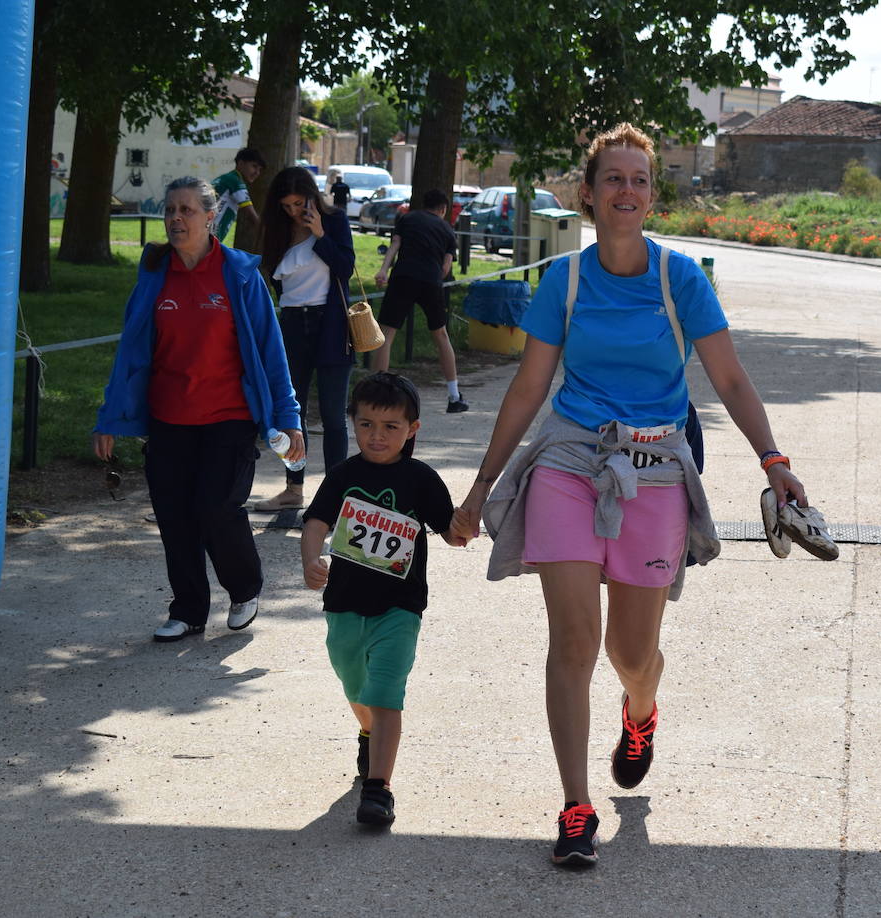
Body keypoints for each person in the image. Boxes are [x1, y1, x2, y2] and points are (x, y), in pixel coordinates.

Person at [449, 124, 833, 867]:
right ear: (588, 194)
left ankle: (641, 709)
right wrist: (483, 485)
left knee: (631, 653)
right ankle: (575, 808)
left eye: (640, 180)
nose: (627, 191)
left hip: (656, 466)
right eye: (614, 179)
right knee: (573, 643)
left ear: (652, 195)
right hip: (568, 459)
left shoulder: (680, 278)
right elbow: (530, 386)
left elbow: (727, 378)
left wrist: (774, 460)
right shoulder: (561, 281)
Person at [93, 176, 303, 642]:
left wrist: (288, 420)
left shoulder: (240, 274)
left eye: (186, 210)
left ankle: (245, 588)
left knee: (217, 508)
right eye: (170, 210)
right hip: (168, 419)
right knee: (174, 515)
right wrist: (109, 416)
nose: (175, 218)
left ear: (212, 218)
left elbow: (272, 351)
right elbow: (130, 352)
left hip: (228, 417)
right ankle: (188, 610)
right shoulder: (154, 273)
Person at [300, 372, 466, 826]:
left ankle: (378, 789)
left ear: (413, 429)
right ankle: (367, 730)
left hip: (400, 606)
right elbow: (315, 521)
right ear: (352, 422)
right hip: (344, 604)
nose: (377, 435)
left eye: (391, 426)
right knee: (355, 684)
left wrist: (463, 526)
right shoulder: (344, 475)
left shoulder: (421, 479)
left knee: (387, 692)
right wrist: (310, 558)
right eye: (367, 424)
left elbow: (450, 530)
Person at [255, 166, 357, 511]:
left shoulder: (335, 220)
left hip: (329, 326)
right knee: (290, 414)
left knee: (332, 415)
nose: (293, 211)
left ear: (312, 196)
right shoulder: (278, 228)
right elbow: (274, 277)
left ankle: (335, 499)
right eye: (286, 206)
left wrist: (319, 234)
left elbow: (345, 267)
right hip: (292, 325)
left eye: (299, 203)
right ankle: (293, 490)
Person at [372, 189, 469, 413]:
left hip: (403, 276)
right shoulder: (447, 230)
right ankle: (454, 396)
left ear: (424, 204)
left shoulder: (407, 219)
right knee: (441, 335)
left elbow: (395, 245)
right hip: (430, 281)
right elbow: (446, 268)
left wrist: (383, 271)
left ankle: (376, 393)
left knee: (386, 335)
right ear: (443, 209)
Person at [211, 148, 266, 244]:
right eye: (254, 166)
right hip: (211, 235)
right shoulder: (235, 181)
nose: (257, 172)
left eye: (259, 169)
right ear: (240, 164)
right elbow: (252, 216)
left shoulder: (225, 178)